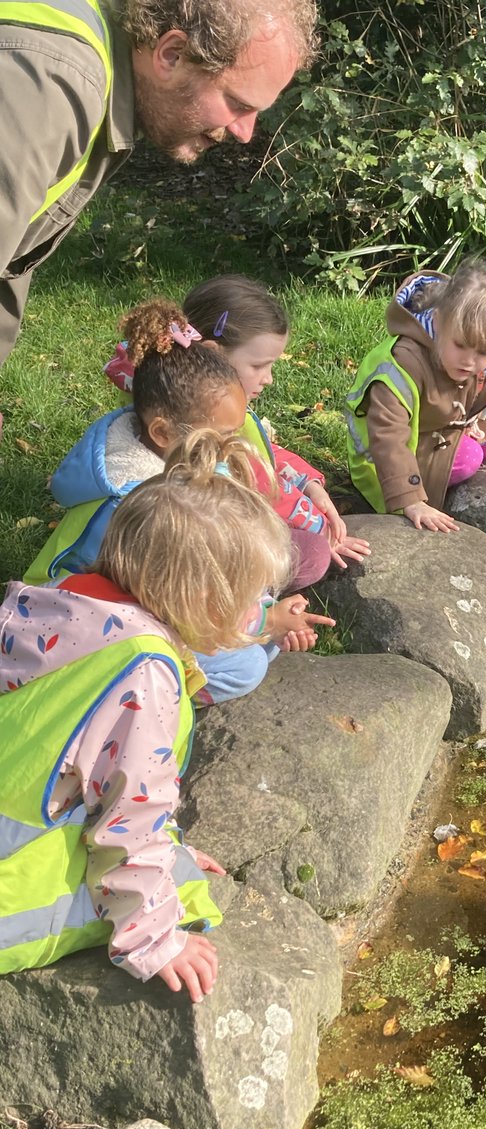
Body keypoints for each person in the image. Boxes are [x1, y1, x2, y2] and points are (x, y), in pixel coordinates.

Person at [0, 430, 295, 1001]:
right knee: (180, 885)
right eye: (255, 594)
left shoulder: (62, 598)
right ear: (205, 599)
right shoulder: (144, 672)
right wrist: (157, 937)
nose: (261, 607)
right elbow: (130, 817)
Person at [26, 298, 335, 704]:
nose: (230, 447)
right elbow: (180, 604)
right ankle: (154, 700)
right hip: (96, 632)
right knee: (249, 666)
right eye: (222, 436)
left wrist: (264, 616)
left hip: (155, 601)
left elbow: (223, 563)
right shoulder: (145, 510)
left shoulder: (185, 461)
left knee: (265, 635)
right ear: (162, 432)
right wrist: (263, 618)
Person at [0, 0, 317, 363]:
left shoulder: (101, 62)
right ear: (172, 54)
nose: (245, 133)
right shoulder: (51, 87)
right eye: (237, 103)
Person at [345, 260, 486, 533]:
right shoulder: (402, 366)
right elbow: (388, 439)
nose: (470, 361)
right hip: (383, 457)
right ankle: (456, 449)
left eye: (483, 352)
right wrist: (410, 501)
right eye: (461, 346)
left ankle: (463, 436)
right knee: (469, 457)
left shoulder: (476, 353)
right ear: (437, 323)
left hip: (444, 425)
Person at [182, 273, 370, 570]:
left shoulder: (197, 397)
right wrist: (320, 526)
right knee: (313, 554)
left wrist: (310, 485)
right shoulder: (200, 426)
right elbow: (263, 486)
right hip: (200, 547)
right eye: (258, 366)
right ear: (212, 354)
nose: (268, 379)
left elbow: (261, 451)